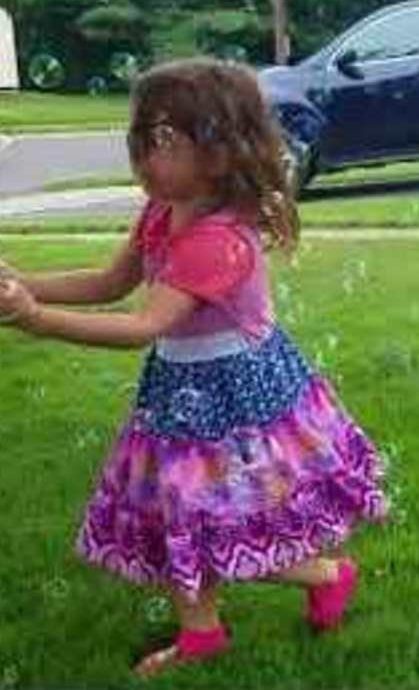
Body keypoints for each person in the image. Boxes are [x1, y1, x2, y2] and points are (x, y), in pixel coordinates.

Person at [0, 58, 388, 677]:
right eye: (143, 140)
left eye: (166, 143)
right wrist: (26, 284)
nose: (147, 159)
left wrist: (33, 320)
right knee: (179, 513)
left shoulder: (219, 241)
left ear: (221, 150)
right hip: (180, 391)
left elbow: (141, 326)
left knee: (222, 521)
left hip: (238, 400)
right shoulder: (161, 209)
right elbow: (107, 283)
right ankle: (201, 634)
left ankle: (326, 572)